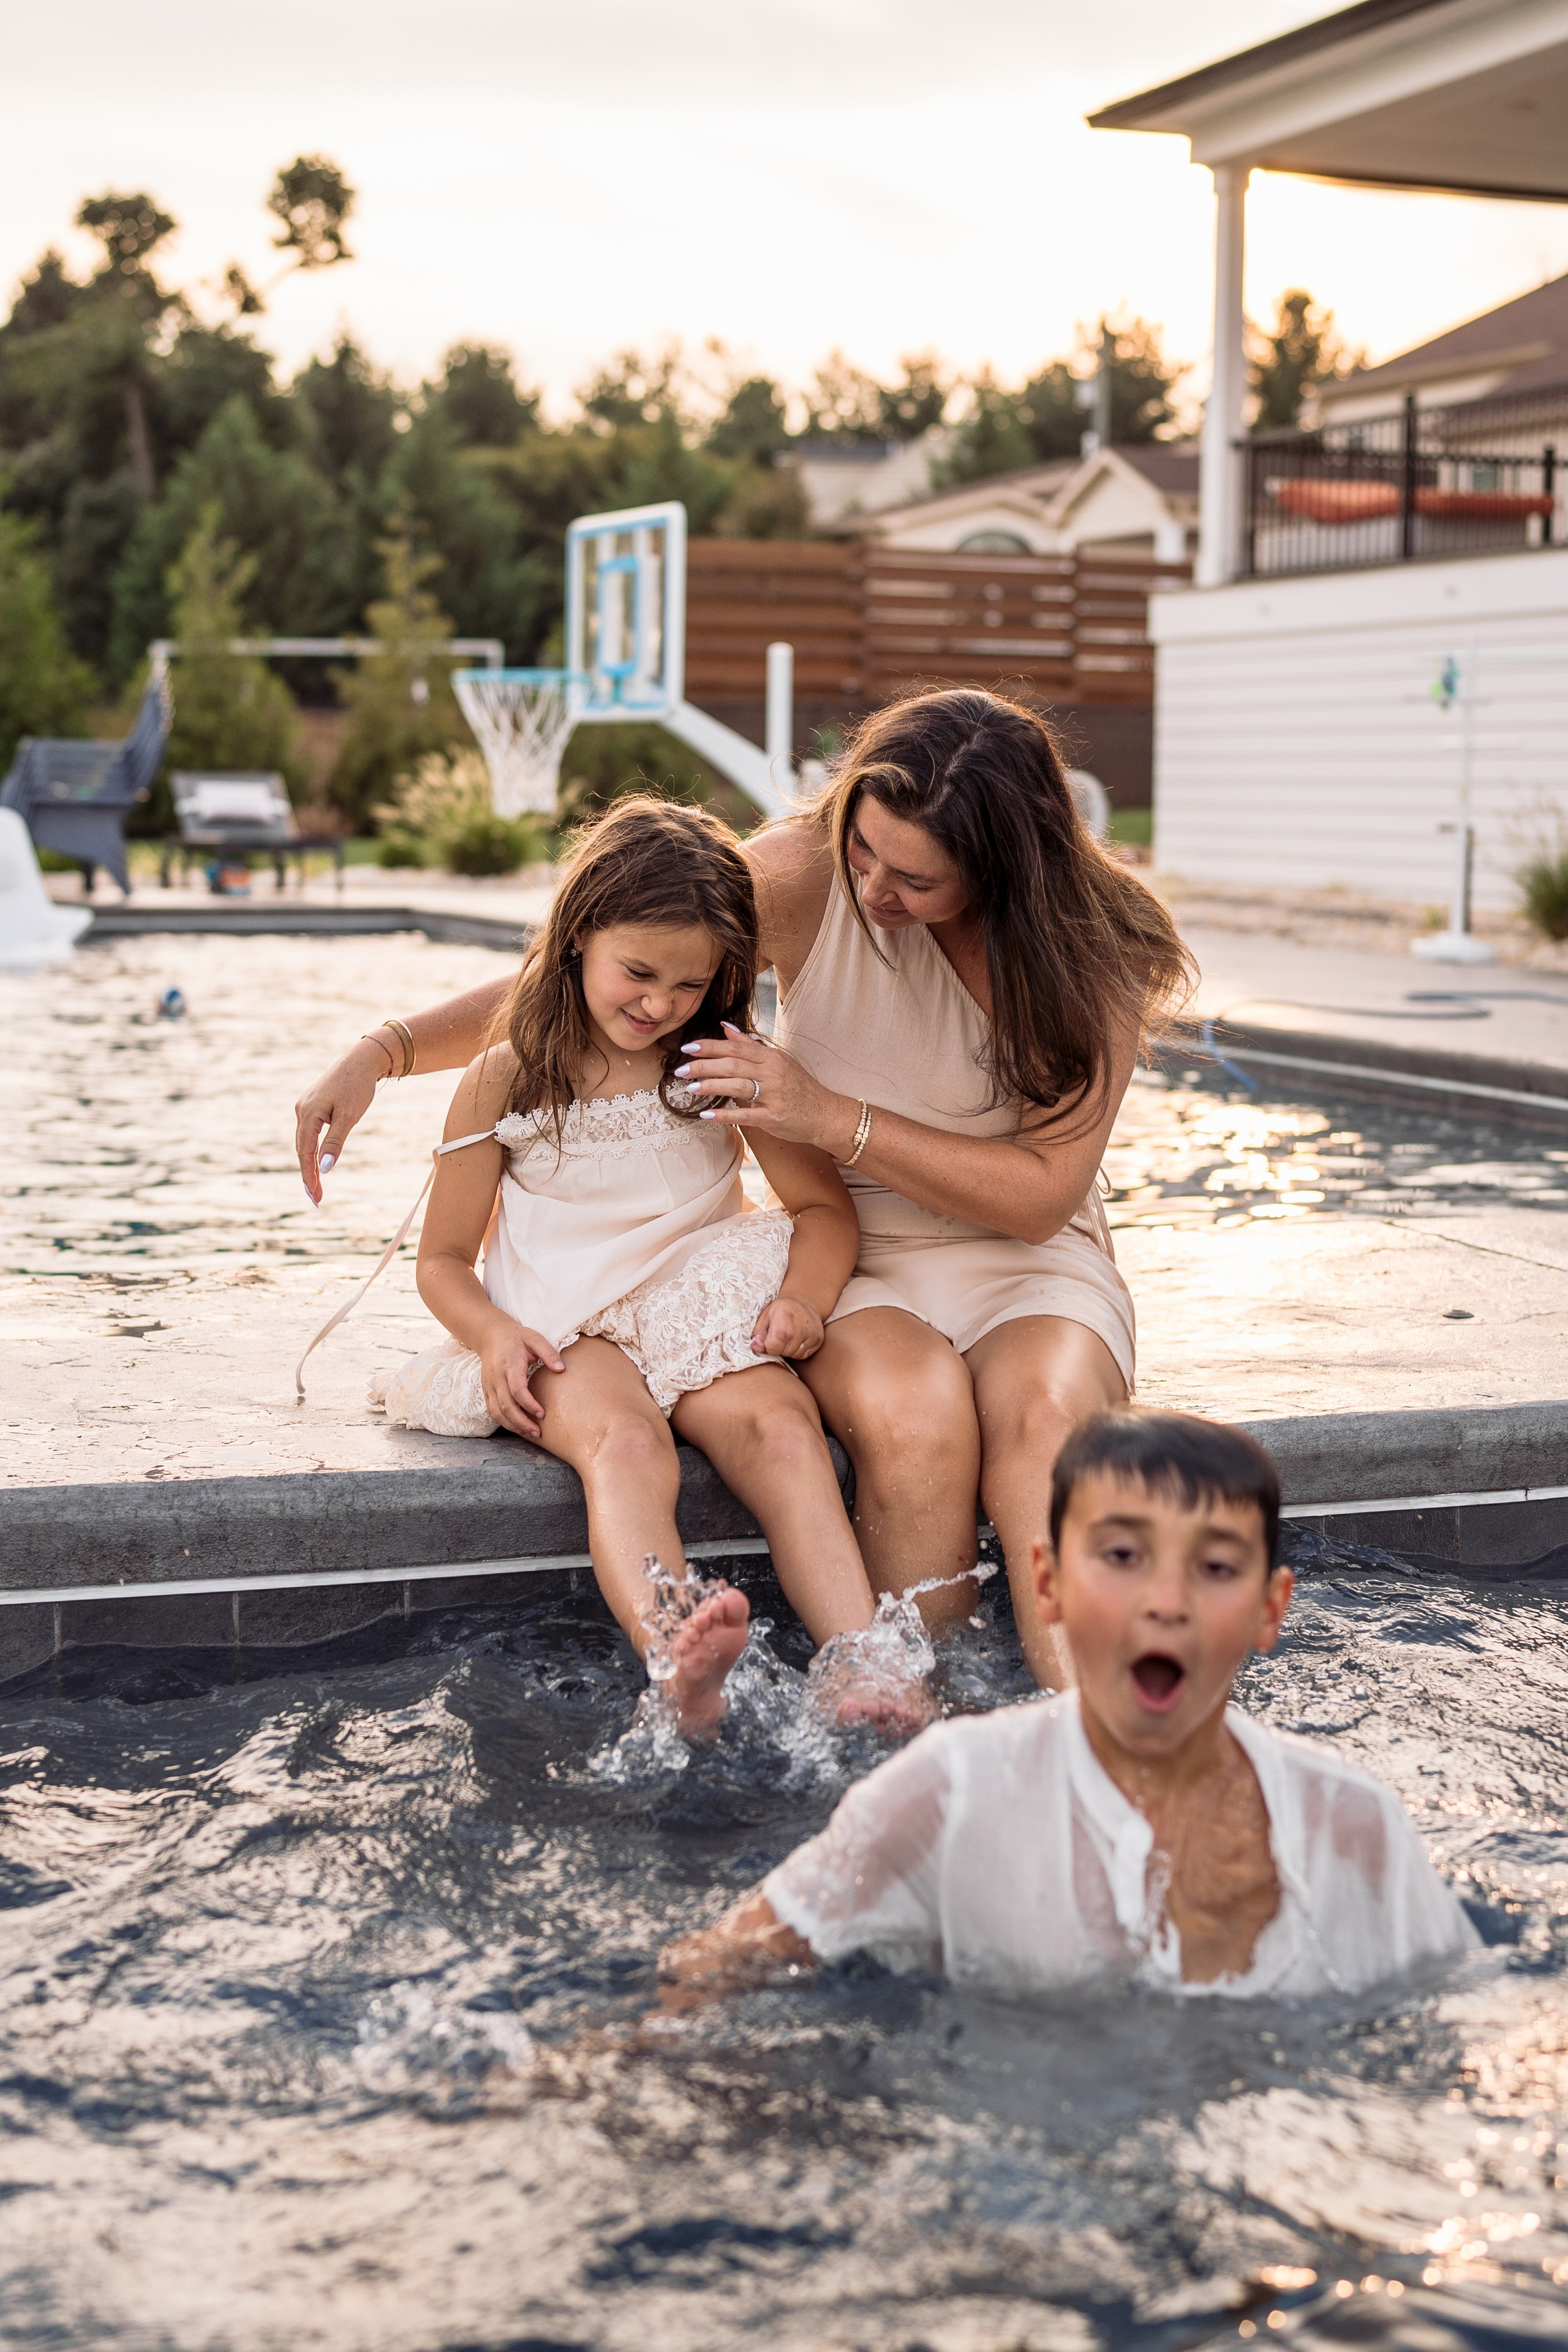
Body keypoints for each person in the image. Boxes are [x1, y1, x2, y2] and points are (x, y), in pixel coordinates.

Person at [295, 690, 1192, 1686]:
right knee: (914, 1414)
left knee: (1043, 1428)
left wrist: (826, 1116)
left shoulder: (1094, 953)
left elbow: (1040, 1198)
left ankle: (1102, 1727)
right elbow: (598, 975)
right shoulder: (808, 871)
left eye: (915, 879)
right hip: (856, 1251)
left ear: (1003, 869)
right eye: (864, 850)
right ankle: (920, 1699)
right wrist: (385, 1051)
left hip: (1024, 1257)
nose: (874, 889)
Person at [371, 795, 907, 1740]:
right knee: (624, 1445)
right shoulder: (506, 1075)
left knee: (783, 1430)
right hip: (566, 1316)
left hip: (694, 1293)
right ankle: (678, 1658)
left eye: (691, 984)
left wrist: (804, 1300)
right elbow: (444, 1260)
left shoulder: (718, 1065)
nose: (661, 1004)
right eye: (639, 973)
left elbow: (825, 1211)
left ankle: (863, 1663)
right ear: (579, 935)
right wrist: (491, 1335)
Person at [657, 1412, 1480, 2002]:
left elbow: (1465, 2032)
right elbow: (708, 1972)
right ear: (1047, 1583)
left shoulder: (1352, 1825)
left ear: (1271, 1609)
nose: (1166, 1602)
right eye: (1122, 1556)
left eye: (1216, 1568)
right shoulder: (953, 1793)